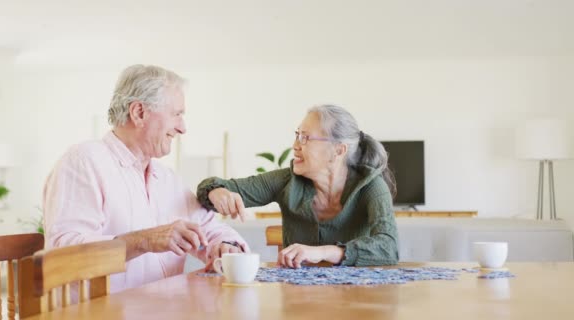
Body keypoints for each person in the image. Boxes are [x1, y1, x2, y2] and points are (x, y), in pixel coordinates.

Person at [43, 65, 248, 292]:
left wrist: (227, 245)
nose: (182, 128)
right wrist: (144, 240)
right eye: (177, 114)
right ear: (139, 112)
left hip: (161, 308)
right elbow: (63, 254)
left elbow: (209, 228)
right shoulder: (84, 161)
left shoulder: (167, 178)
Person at [197, 104, 398, 268]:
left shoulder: (371, 186)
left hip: (357, 300)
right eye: (297, 135)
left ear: (338, 150)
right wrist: (217, 191)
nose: (295, 145)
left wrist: (322, 252)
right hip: (298, 300)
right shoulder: (286, 180)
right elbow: (209, 188)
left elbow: (389, 247)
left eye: (305, 138)